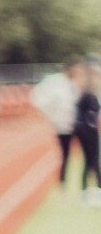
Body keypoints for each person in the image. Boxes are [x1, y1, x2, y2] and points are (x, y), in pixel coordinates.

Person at [32, 58, 82, 190]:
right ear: (70, 68)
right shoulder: (55, 82)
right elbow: (38, 97)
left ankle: (88, 187)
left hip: (80, 125)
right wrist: (52, 116)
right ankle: (63, 185)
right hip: (63, 126)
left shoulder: (80, 83)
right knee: (65, 155)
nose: (78, 71)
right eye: (76, 68)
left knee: (90, 154)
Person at [75, 61, 100, 206]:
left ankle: (90, 192)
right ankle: (90, 193)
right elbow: (89, 116)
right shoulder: (88, 94)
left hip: (88, 131)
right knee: (92, 161)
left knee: (92, 162)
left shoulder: (87, 93)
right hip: (88, 132)